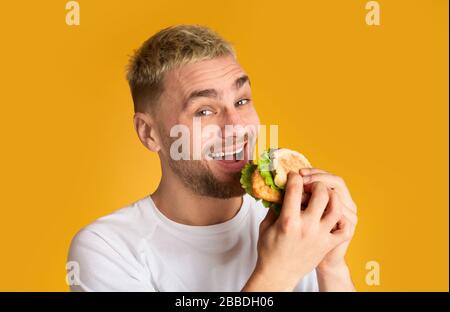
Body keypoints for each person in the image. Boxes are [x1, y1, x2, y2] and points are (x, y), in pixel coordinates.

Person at [67, 24, 358, 292]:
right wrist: (277, 273)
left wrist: (331, 267)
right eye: (204, 111)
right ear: (149, 133)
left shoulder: (296, 224)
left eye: (241, 101)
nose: (237, 127)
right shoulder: (108, 248)